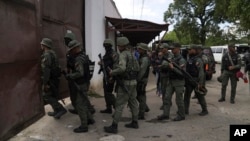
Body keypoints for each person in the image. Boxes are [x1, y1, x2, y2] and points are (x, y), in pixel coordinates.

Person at [104, 36, 139, 133]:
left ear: (121, 46)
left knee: (119, 104)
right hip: (133, 82)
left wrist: (112, 72)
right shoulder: (132, 54)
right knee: (133, 102)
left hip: (126, 83)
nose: (118, 47)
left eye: (119, 45)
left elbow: (122, 68)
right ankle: (135, 122)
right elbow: (137, 68)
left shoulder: (123, 55)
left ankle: (114, 126)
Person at [65, 40, 95, 133]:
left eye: (71, 49)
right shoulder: (84, 56)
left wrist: (70, 76)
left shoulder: (78, 59)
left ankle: (84, 126)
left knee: (79, 105)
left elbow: (80, 73)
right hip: (85, 82)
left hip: (80, 83)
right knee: (84, 102)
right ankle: (90, 119)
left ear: (75, 48)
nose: (70, 51)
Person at [64, 30, 95, 115]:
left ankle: (86, 111)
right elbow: (69, 63)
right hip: (75, 75)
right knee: (78, 95)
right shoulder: (71, 52)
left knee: (79, 96)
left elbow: (80, 67)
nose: (66, 42)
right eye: (66, 40)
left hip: (78, 76)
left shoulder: (78, 52)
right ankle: (81, 109)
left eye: (68, 40)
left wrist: (71, 75)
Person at [157, 42, 186, 121]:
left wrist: (173, 68)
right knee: (166, 98)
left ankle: (181, 115)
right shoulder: (172, 58)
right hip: (171, 81)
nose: (172, 50)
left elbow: (182, 73)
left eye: (173, 48)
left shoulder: (181, 60)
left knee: (179, 100)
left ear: (178, 49)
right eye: (171, 48)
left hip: (179, 82)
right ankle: (165, 114)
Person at [40, 38, 67, 119]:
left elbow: (46, 70)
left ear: (44, 45)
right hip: (54, 78)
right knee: (53, 95)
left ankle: (60, 109)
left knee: (46, 96)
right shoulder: (52, 53)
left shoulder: (47, 55)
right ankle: (56, 111)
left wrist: (45, 83)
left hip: (50, 79)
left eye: (42, 44)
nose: (41, 46)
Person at [184, 45, 208, 116]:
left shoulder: (198, 60)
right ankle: (185, 110)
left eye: (190, 49)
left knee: (199, 95)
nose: (188, 51)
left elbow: (201, 72)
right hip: (189, 80)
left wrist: (200, 83)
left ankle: (205, 110)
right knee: (186, 96)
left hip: (196, 81)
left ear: (194, 50)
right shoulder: (190, 58)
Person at [99, 39, 119, 114]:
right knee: (106, 92)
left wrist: (112, 76)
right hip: (106, 75)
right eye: (105, 46)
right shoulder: (107, 54)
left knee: (108, 93)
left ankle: (116, 106)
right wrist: (101, 63)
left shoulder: (113, 54)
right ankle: (108, 108)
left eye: (107, 45)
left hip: (111, 76)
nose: (106, 47)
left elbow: (116, 65)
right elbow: (106, 63)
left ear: (110, 46)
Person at [136, 43, 151, 120]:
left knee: (141, 96)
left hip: (142, 80)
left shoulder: (144, 59)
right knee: (138, 95)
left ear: (144, 50)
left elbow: (142, 71)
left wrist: (137, 80)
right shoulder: (142, 57)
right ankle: (145, 107)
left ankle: (141, 114)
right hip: (141, 79)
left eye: (140, 49)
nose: (138, 50)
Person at [157, 43, 173, 109]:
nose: (161, 49)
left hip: (167, 74)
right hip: (162, 74)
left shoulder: (170, 55)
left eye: (162, 48)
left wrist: (161, 66)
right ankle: (167, 102)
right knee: (163, 90)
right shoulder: (162, 55)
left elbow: (166, 64)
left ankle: (165, 104)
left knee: (165, 90)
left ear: (166, 48)